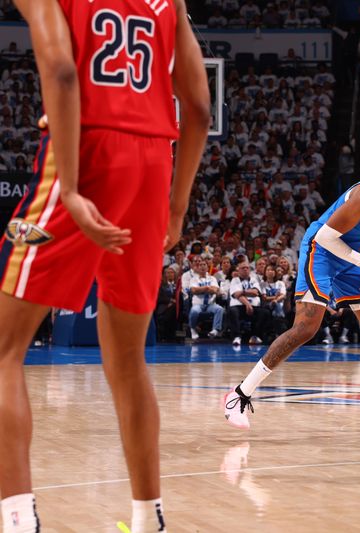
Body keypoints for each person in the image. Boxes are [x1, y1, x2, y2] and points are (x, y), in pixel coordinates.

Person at [0, 0, 208, 530]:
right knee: (128, 362)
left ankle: (17, 520)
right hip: (152, 166)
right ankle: (148, 517)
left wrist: (68, 187)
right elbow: (200, 108)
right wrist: (177, 206)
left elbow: (63, 69)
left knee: (3, 350)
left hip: (86, 144)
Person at [222, 152, 360, 433]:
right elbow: (325, 237)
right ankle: (239, 394)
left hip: (353, 256)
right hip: (321, 251)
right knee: (306, 328)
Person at [228, 260, 267, 346]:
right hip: (239, 306)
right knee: (232, 311)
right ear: (238, 270)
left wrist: (242, 292)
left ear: (250, 270)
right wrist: (248, 304)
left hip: (254, 306)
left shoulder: (254, 280)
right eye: (243, 268)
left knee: (264, 312)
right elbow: (236, 295)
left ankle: (255, 336)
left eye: (247, 268)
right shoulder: (235, 280)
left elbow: (256, 292)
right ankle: (237, 337)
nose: (245, 269)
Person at [188, 259, 224, 340]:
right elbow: (193, 291)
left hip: (210, 304)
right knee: (193, 311)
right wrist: (207, 288)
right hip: (198, 304)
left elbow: (215, 290)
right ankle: (193, 329)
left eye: (204, 265)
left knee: (220, 309)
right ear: (197, 268)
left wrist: (200, 289)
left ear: (207, 268)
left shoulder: (212, 278)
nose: (202, 266)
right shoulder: (194, 279)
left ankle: (215, 330)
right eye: (200, 265)